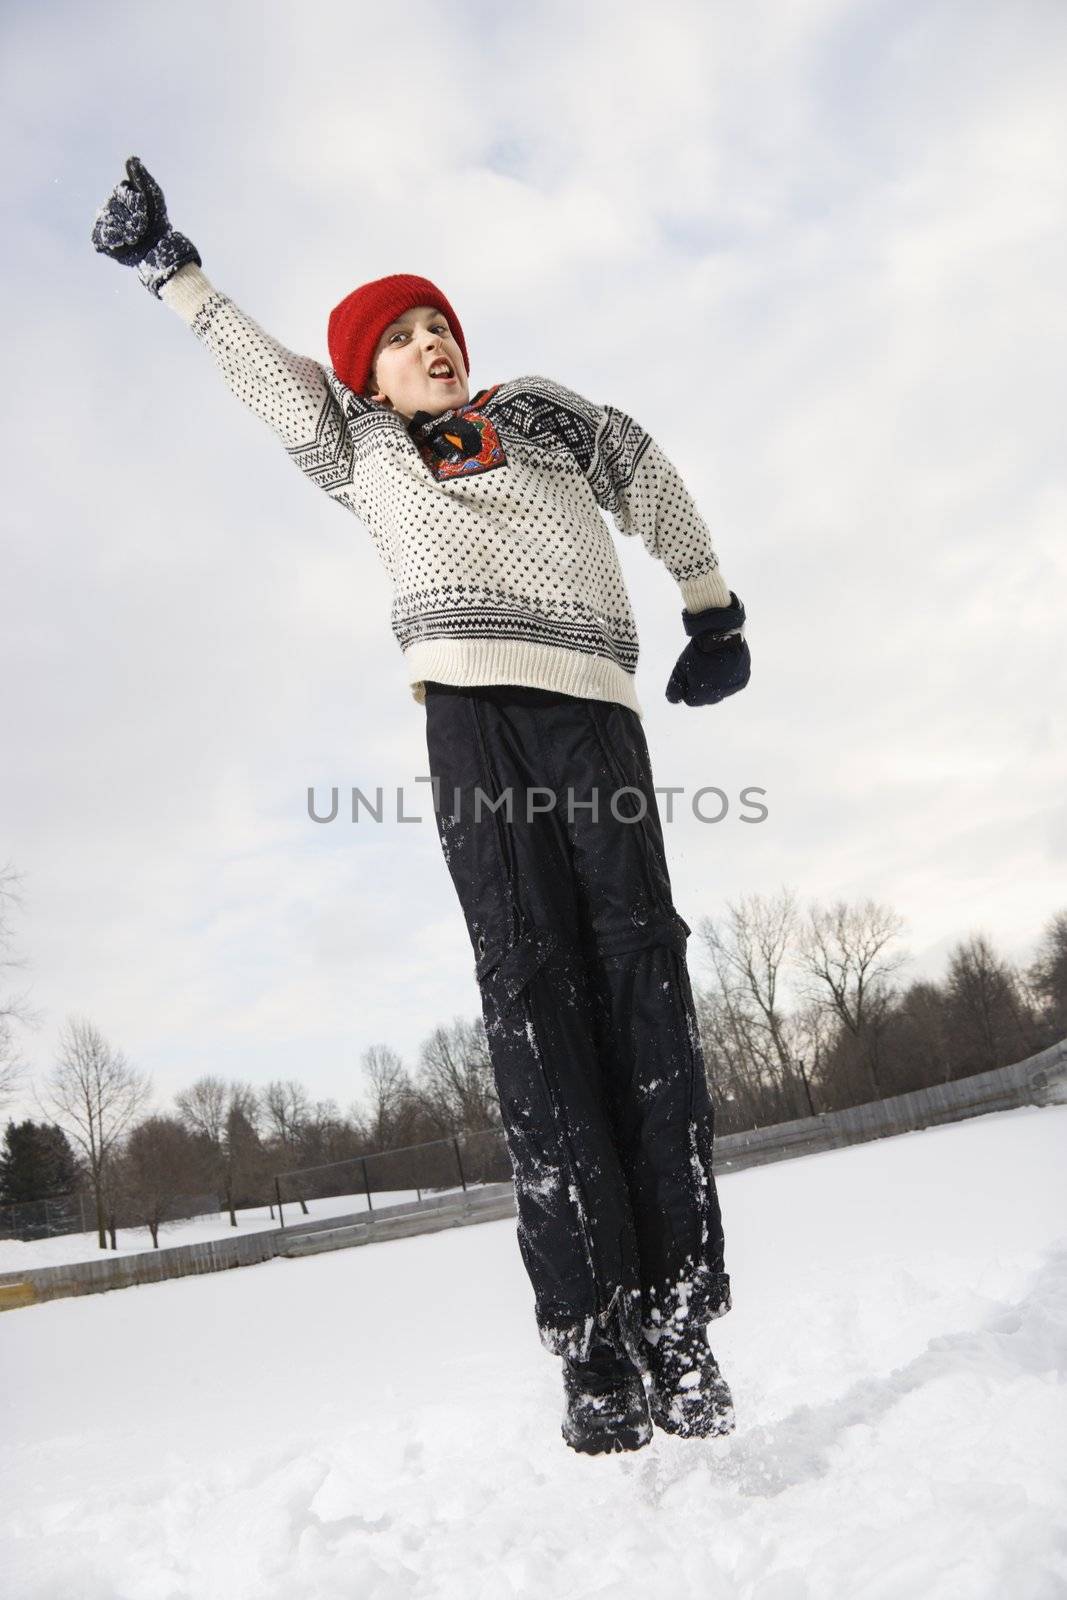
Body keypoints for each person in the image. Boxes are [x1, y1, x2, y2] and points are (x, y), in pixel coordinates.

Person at [91, 156, 751, 1455]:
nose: (428, 343)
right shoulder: (362, 447)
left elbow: (647, 465)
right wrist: (177, 274)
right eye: (398, 339)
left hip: (592, 715)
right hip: (472, 721)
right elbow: (273, 379)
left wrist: (710, 599)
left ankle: (681, 1323)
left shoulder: (544, 413)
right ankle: (594, 1345)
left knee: (640, 980)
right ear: (371, 379)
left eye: (437, 324)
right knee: (532, 991)